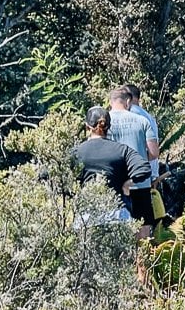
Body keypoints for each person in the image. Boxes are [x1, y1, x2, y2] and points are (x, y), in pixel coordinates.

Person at [70, 105, 150, 222]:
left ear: (87, 127)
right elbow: (144, 168)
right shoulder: (122, 150)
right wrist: (127, 184)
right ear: (109, 127)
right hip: (117, 213)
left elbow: (47, 173)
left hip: (86, 216)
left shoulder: (77, 152)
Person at [105, 85, 159, 238]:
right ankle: (141, 259)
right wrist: (141, 159)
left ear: (111, 102)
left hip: (116, 184)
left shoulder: (104, 122)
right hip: (140, 181)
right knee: (144, 226)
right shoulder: (142, 120)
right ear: (128, 101)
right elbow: (154, 153)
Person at [126, 82, 165, 223]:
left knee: (135, 220)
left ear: (128, 98)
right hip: (149, 174)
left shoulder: (131, 115)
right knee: (146, 220)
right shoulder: (148, 116)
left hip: (135, 177)